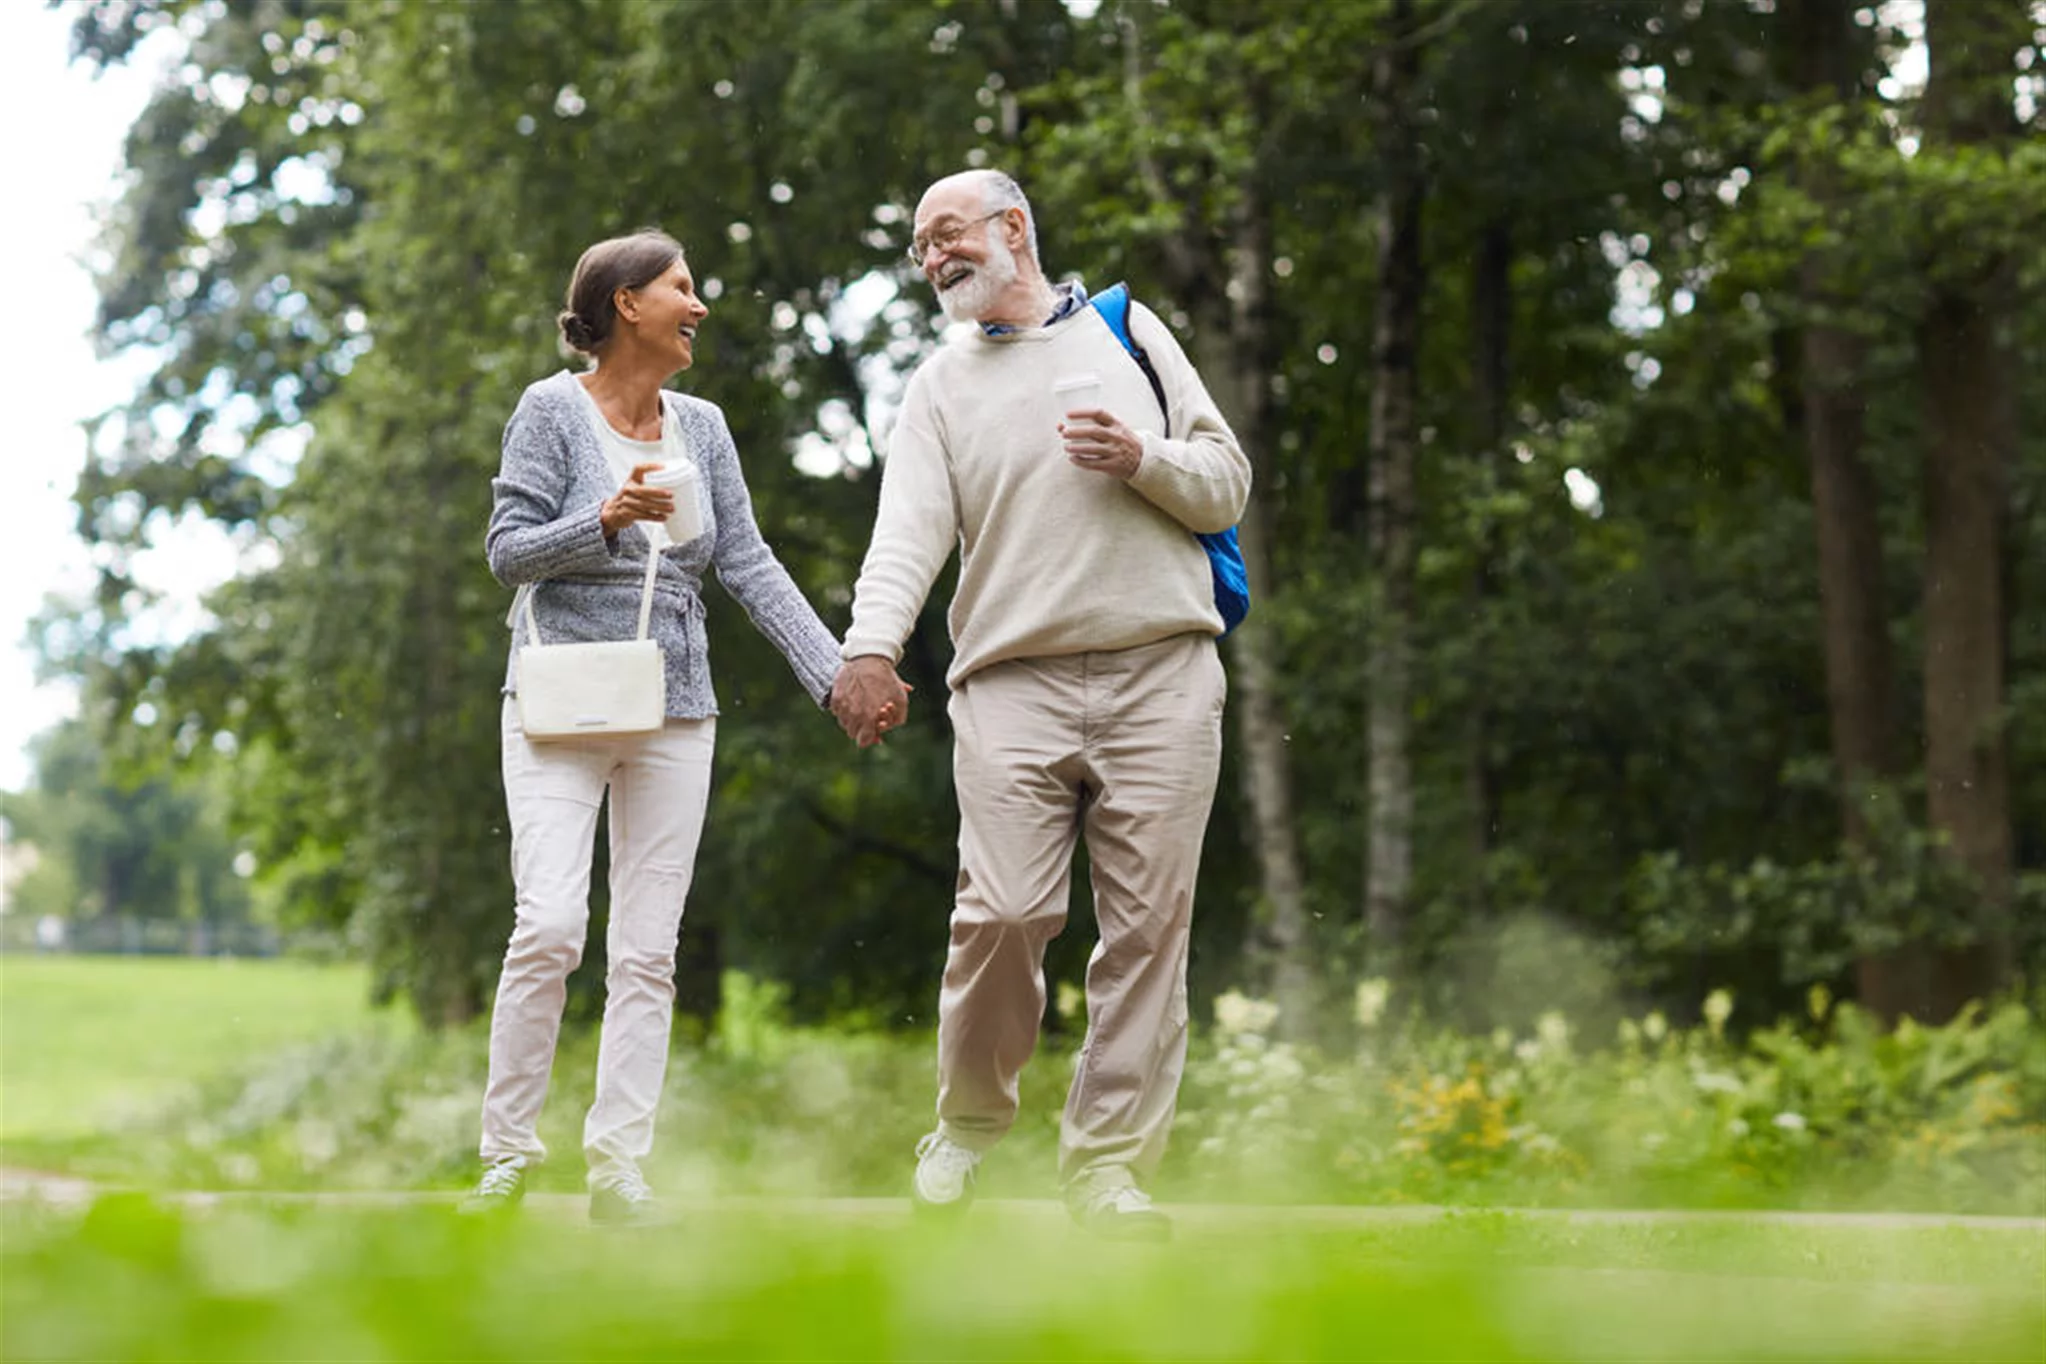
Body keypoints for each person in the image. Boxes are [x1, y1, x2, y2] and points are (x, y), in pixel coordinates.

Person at [829, 171, 1251, 1239]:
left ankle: (1107, 1167)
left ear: (1013, 228)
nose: (932, 258)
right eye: (919, 244)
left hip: (1162, 668)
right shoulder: (937, 385)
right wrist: (869, 649)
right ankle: (967, 1126)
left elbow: (1224, 481)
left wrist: (1141, 457)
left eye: (947, 234)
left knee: (1150, 930)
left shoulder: (1129, 330)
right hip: (1011, 680)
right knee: (1004, 911)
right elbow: (907, 535)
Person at [466, 229, 852, 1222]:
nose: (700, 306)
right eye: (683, 288)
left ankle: (617, 1167)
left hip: (676, 706)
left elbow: (750, 563)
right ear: (626, 302)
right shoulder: (550, 411)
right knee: (549, 924)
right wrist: (604, 515)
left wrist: (835, 674)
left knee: (647, 949)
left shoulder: (704, 426)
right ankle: (507, 1153)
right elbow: (507, 551)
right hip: (558, 697)